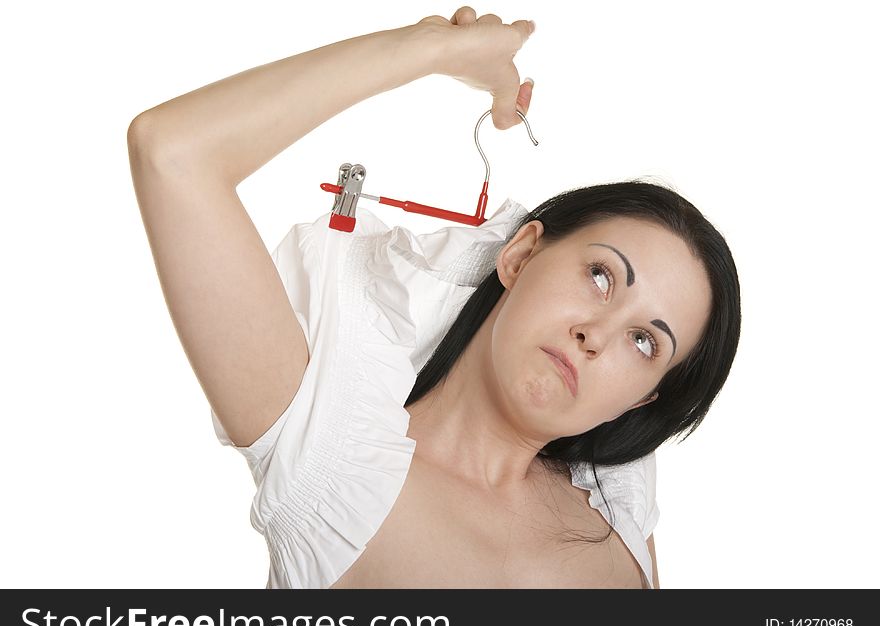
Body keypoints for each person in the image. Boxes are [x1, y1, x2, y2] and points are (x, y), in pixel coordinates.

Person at [127, 7, 741, 589]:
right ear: (520, 254)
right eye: (602, 276)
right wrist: (433, 48)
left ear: (644, 398)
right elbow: (174, 152)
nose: (598, 336)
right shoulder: (330, 460)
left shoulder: (620, 498)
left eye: (644, 341)